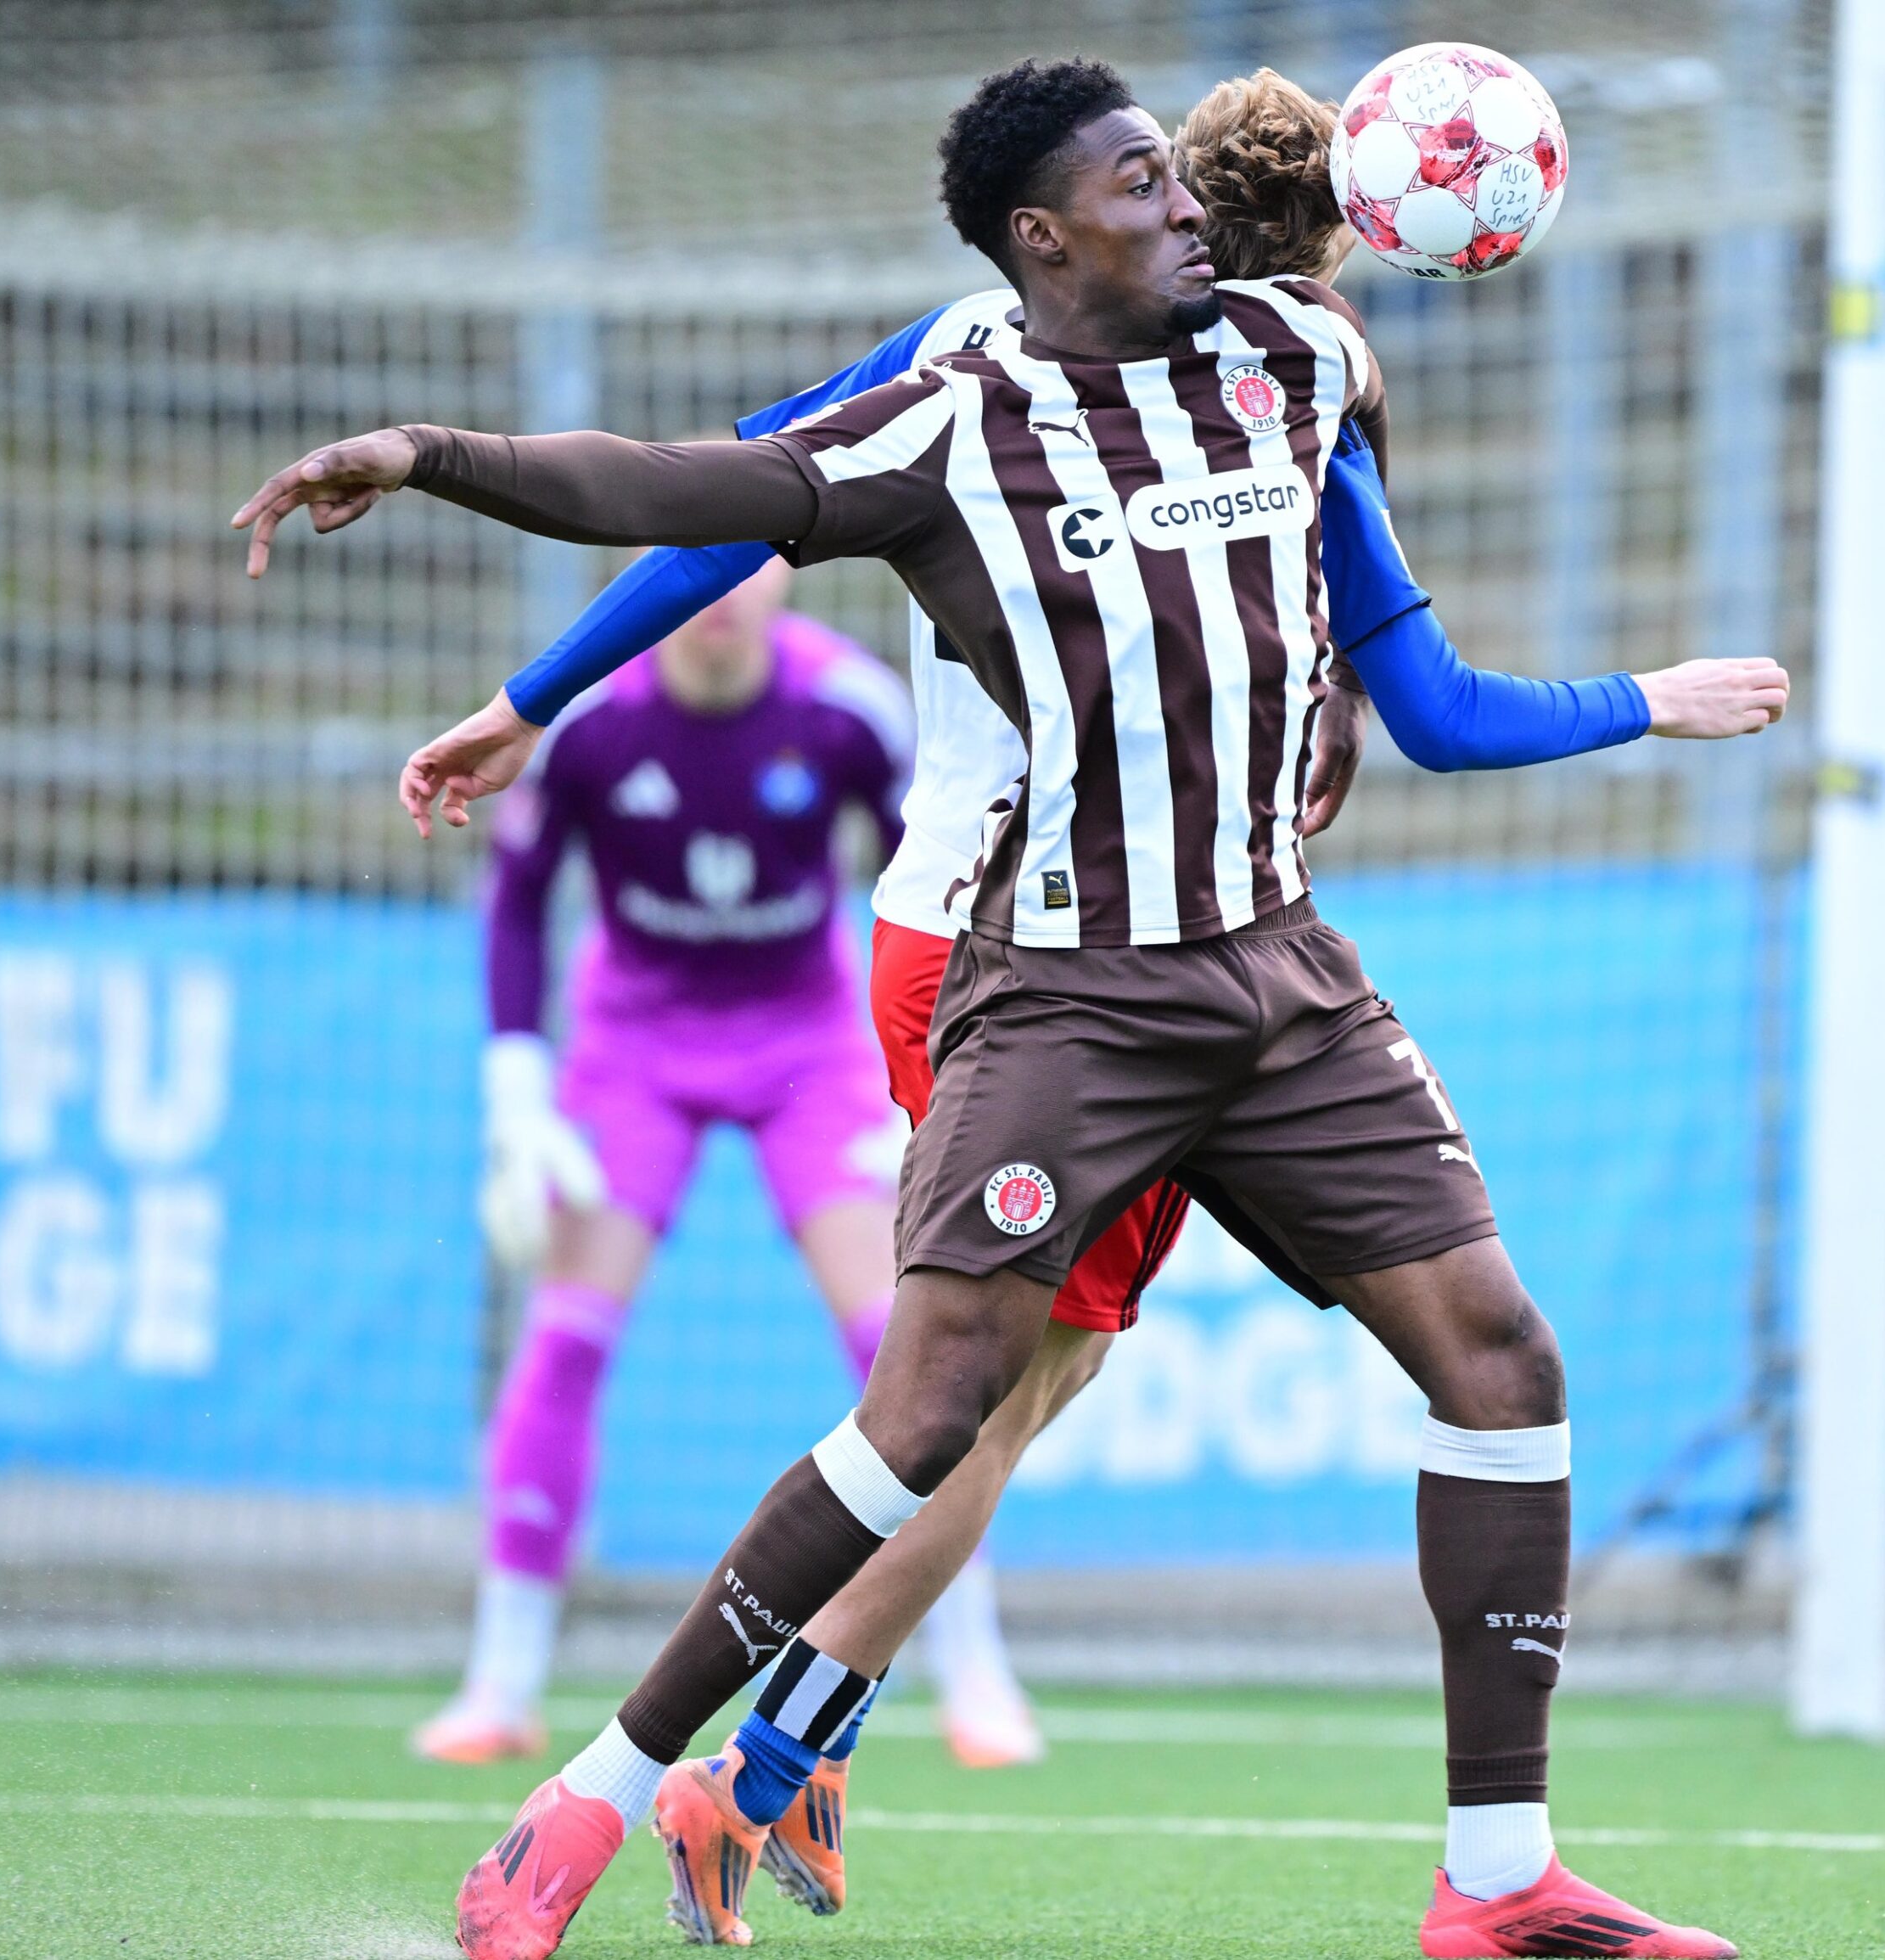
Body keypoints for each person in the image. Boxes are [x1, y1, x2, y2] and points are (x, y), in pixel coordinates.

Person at [234, 59, 1785, 1960]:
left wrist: (1407, 684)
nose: (1184, 204)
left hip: (1280, 977)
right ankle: (601, 1793)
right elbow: (691, 489)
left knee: (1497, 1359)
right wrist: (433, 464)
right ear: (1043, 239)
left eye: (1184, 177)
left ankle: (1496, 1883)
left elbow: (1424, 688)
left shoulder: (1296, 363)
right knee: (941, 1405)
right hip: (1055, 987)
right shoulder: (955, 408)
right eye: (1140, 183)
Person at [416, 551, 1045, 1772]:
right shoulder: (589, 723)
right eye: (692, 565)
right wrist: (517, 1095)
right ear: (646, 580)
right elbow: (519, 898)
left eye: (747, 562)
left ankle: (976, 1671)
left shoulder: (849, 708)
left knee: (913, 1349)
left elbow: (943, 886)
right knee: (566, 1337)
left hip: (809, 1042)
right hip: (633, 1043)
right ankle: (500, 1678)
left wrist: (928, 1083)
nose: (720, 595)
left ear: (786, 578)